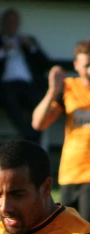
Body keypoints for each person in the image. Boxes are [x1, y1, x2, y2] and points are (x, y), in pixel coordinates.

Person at [32, 39, 90, 221]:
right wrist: (52, 91)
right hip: (70, 172)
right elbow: (38, 123)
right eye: (87, 65)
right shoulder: (69, 88)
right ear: (77, 65)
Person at [0, 8, 49, 143]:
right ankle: (29, 136)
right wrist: (2, 51)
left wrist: (31, 48)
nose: (12, 25)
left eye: (14, 22)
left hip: (28, 84)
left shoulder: (27, 41)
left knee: (40, 102)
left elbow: (45, 64)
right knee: (10, 99)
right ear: (2, 24)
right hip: (5, 85)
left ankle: (32, 136)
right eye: (8, 22)